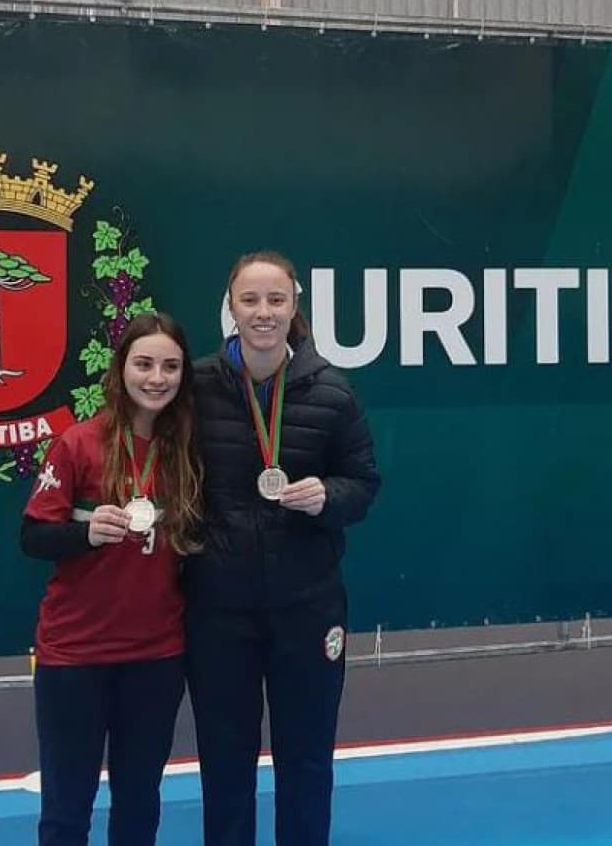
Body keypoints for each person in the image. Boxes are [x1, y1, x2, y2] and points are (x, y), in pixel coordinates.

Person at [185, 251, 381, 846]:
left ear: (295, 306)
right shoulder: (195, 388)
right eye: (250, 300)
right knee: (224, 764)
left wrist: (328, 494)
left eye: (276, 300)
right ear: (231, 308)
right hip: (219, 611)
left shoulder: (333, 393)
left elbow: (365, 485)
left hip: (307, 605)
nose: (263, 312)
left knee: (307, 760)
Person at [20, 311, 201, 846]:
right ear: (121, 368)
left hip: (156, 655)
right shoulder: (78, 444)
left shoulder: (187, 452)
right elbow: (32, 537)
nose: (156, 377)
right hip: (75, 656)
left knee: (140, 802)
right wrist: (85, 534)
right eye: (144, 363)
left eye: (170, 366)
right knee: (67, 806)